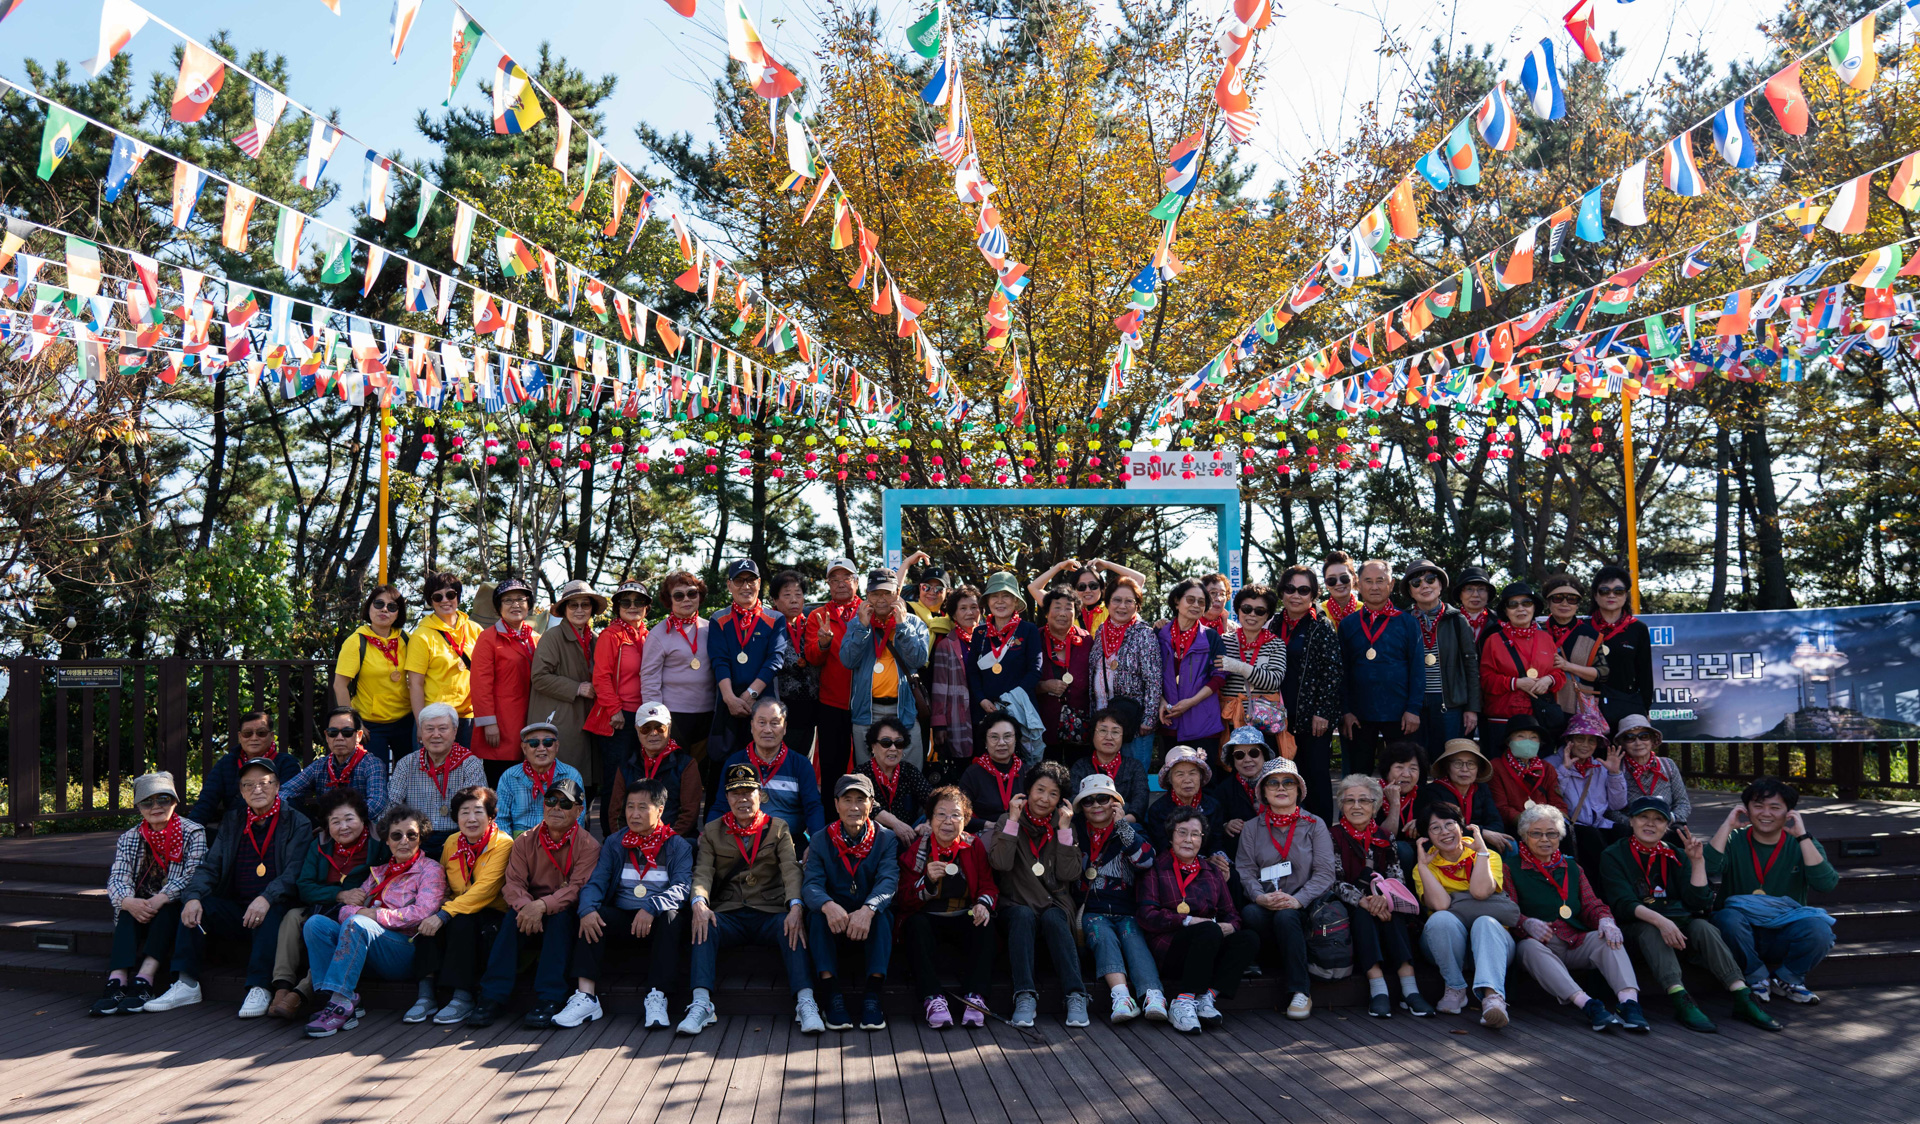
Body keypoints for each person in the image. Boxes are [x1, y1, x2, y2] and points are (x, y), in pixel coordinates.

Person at [145, 758, 314, 1016]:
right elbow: (210, 866)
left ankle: (260, 987)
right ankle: (186, 983)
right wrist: (193, 896)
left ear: (277, 786)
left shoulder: (296, 822)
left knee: (273, 911)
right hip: (237, 907)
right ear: (241, 792)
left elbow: (294, 873)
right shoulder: (234, 820)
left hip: (274, 904)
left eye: (264, 783)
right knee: (197, 907)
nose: (257, 789)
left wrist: (266, 897)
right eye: (249, 785)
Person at [1598, 795, 1779, 1033]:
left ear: (1666, 826)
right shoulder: (1614, 854)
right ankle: (1680, 998)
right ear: (1631, 821)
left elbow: (1698, 902)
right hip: (1635, 929)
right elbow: (1623, 904)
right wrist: (1662, 922)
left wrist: (1697, 862)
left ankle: (1742, 995)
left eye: (1658, 819)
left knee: (1703, 927)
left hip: (1678, 924)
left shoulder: (1675, 854)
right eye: (1643, 817)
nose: (1650, 823)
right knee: (1650, 930)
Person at [680, 762, 818, 1035]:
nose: (742, 799)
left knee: (792, 926)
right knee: (703, 924)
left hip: (769, 911)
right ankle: (701, 1003)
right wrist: (699, 903)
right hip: (729, 911)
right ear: (727, 797)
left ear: (760, 795)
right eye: (735, 793)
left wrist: (795, 906)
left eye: (748, 792)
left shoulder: (778, 828)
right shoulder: (713, 830)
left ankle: (806, 1001)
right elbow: (703, 871)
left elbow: (791, 870)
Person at [1496, 802, 1650, 1032]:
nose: (1545, 839)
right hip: (1541, 946)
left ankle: (1629, 1004)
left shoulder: (1571, 867)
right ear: (1524, 836)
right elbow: (1507, 909)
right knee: (1529, 948)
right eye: (1536, 834)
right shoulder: (1510, 868)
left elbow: (1591, 904)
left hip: (1574, 940)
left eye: (1552, 834)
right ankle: (1588, 1005)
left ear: (1560, 836)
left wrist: (1605, 920)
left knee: (1609, 939)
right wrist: (1525, 923)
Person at [299, 803, 444, 1037]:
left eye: (412, 835)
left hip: (404, 950)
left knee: (358, 923)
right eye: (396, 835)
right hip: (368, 946)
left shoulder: (430, 869)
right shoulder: (380, 871)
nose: (404, 841)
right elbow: (346, 909)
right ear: (386, 840)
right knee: (316, 924)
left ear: (421, 838)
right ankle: (336, 1001)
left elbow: (423, 912)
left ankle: (340, 1004)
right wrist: (361, 913)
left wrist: (376, 915)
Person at [564, 778, 693, 1030]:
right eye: (630, 806)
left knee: (672, 916)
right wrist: (587, 909)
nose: (634, 814)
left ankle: (657, 996)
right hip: (622, 916)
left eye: (643, 807)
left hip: (655, 919)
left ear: (660, 810)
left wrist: (651, 907)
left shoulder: (677, 845)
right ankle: (586, 996)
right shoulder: (615, 842)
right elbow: (596, 882)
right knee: (593, 915)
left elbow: (682, 888)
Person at [473, 778, 600, 1028]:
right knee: (512, 917)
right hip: (529, 910)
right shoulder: (525, 840)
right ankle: (491, 996)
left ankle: (550, 998)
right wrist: (526, 907)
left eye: (565, 803)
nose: (556, 807)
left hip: (564, 912)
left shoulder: (589, 845)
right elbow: (513, 884)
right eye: (551, 800)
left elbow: (577, 888)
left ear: (579, 810)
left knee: (561, 918)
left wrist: (541, 906)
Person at [1706, 776, 1839, 1005]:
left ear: (1789, 813)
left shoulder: (1803, 843)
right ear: (1746, 810)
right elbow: (1707, 868)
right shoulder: (1734, 839)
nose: (1765, 813)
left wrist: (1802, 837)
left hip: (1783, 934)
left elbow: (1826, 884)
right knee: (1727, 918)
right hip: (1739, 933)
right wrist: (1726, 826)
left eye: (1775, 807)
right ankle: (1756, 977)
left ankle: (1788, 979)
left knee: (1820, 930)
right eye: (1758, 806)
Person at [1138, 808, 1262, 1033]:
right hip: (1170, 947)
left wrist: (1230, 926)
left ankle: (1207, 997)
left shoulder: (1211, 871)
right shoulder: (1155, 868)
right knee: (1208, 930)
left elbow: (1232, 913)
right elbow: (1147, 916)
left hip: (1208, 942)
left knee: (1248, 938)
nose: (1188, 839)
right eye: (1182, 832)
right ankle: (1183, 1002)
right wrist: (1187, 921)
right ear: (1171, 836)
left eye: (1195, 834)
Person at [94, 773, 207, 1016]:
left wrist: (162, 897)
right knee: (126, 907)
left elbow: (194, 875)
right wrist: (127, 901)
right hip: (141, 904)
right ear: (138, 807)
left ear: (174, 801)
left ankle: (145, 978)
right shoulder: (129, 837)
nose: (155, 807)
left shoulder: (193, 832)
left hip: (171, 903)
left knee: (167, 907)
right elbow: (118, 877)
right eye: (147, 801)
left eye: (163, 799)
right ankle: (117, 980)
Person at [988, 760, 1089, 1028]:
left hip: (1054, 901)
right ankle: (1024, 995)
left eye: (1053, 794)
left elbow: (1070, 874)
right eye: (1040, 790)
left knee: (1055, 918)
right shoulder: (1008, 819)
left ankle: (1076, 994)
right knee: (1022, 916)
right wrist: (1012, 821)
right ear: (1028, 791)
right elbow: (1000, 864)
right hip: (1016, 901)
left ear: (1061, 800)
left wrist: (1064, 830)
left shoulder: (1064, 823)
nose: (1044, 799)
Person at [272, 787, 386, 1020]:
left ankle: (301, 993)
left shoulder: (379, 843)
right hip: (323, 904)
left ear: (362, 818)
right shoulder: (319, 844)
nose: (343, 827)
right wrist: (339, 894)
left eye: (349, 819)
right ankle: (281, 986)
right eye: (335, 822)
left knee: (334, 928)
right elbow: (304, 886)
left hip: (357, 912)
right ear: (327, 825)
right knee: (292, 917)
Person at [1233, 757, 1335, 1019]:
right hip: (1267, 903)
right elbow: (1245, 870)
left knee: (1286, 916)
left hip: (1306, 905)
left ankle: (1300, 991)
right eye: (1273, 783)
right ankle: (1276, 960)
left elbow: (1325, 873)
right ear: (1264, 792)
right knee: (1251, 913)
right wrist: (1259, 897)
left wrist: (1298, 899)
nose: (1281, 787)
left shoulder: (1315, 824)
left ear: (1298, 789)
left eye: (1288, 782)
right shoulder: (1252, 828)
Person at [408, 784, 512, 1026]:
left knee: (460, 920)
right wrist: (439, 906)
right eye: (464, 812)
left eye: (478, 811)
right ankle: (425, 996)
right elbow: (443, 880)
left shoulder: (503, 843)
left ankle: (462, 997)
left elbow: (484, 891)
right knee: (428, 916)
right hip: (456, 908)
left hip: (491, 912)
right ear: (456, 818)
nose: (471, 819)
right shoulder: (452, 841)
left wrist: (444, 914)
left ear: (491, 816)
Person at [802, 774, 899, 1031]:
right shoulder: (821, 838)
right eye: (847, 800)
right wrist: (828, 905)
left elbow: (888, 881)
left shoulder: (886, 838)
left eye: (860, 800)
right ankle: (832, 994)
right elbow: (811, 884)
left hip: (867, 917)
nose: (854, 807)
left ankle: (873, 996)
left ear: (871, 804)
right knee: (816, 917)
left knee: (883, 916)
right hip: (836, 919)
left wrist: (868, 909)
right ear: (836, 804)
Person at [1329, 774, 1432, 1017]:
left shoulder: (1386, 836)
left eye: (1364, 800)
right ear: (1341, 805)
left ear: (1375, 806)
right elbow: (1333, 880)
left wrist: (1385, 899)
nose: (1356, 806)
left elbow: (1396, 876)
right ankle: (1378, 989)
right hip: (1351, 902)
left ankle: (1410, 989)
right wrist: (1363, 900)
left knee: (1394, 914)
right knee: (1363, 915)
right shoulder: (1332, 835)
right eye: (1349, 800)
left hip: (1383, 901)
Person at [897, 786, 997, 1027]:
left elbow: (988, 886)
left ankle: (975, 998)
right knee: (915, 926)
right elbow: (903, 898)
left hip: (963, 914)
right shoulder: (918, 849)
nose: (948, 821)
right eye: (941, 814)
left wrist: (982, 905)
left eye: (956, 815)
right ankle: (933, 999)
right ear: (930, 819)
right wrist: (927, 880)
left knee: (985, 923)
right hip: (928, 916)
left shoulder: (974, 845)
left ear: (966, 820)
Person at [1072, 773, 1166, 1023]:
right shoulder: (1074, 830)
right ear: (1081, 807)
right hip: (1091, 908)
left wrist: (1122, 826)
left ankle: (1153, 995)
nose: (1096, 805)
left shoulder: (1132, 829)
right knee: (1102, 936)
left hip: (1127, 908)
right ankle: (1121, 997)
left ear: (1115, 803)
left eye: (1103, 799)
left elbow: (1146, 861)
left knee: (1134, 939)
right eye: (1088, 801)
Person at [1411, 803, 1514, 1026]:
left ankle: (1493, 999)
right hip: (1445, 948)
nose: (1444, 832)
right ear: (1427, 836)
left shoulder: (1488, 855)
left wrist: (1482, 852)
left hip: (1493, 947)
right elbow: (1440, 905)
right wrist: (1424, 867)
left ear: (1461, 826)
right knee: (1441, 918)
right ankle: (1455, 987)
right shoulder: (1424, 866)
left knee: (1485, 922)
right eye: (1435, 828)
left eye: (1449, 824)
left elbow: (1480, 892)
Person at [1338, 560, 1422, 777]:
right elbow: (1342, 672)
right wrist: (1346, 711)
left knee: (1401, 774)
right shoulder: (1348, 624)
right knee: (1359, 776)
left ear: (1391, 584)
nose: (1374, 587)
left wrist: (1413, 709)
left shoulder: (1408, 622)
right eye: (1368, 581)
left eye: (1380, 581)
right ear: (1358, 585)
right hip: (1359, 715)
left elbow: (1417, 669)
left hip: (1400, 714)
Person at [842, 569, 932, 768]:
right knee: (867, 774)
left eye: (887, 593)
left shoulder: (914, 623)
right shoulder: (857, 623)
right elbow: (848, 660)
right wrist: (862, 628)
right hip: (867, 710)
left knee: (911, 772)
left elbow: (918, 660)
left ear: (897, 594)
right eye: (875, 594)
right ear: (867, 596)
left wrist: (902, 626)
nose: (881, 599)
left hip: (903, 709)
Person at [1273, 565, 1342, 822]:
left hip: (1312, 719)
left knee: (1315, 777)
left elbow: (1332, 673)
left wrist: (1322, 713)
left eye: (1304, 590)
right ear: (1282, 592)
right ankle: (1288, 829)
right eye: (1290, 589)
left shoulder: (1321, 625)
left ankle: (1322, 833)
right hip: (1278, 718)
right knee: (1284, 777)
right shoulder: (1273, 623)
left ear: (1313, 595)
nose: (1296, 595)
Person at [707, 696, 826, 841]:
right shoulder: (735, 762)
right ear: (752, 726)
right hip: (742, 841)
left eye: (774, 723)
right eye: (762, 723)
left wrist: (817, 843)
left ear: (785, 727)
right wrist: (708, 834)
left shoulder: (800, 764)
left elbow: (813, 808)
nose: (768, 730)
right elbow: (720, 806)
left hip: (788, 841)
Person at [708, 559, 791, 761]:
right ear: (729, 585)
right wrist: (729, 698)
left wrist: (750, 694)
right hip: (728, 703)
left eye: (751, 580)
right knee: (724, 763)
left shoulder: (776, 618)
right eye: (739, 581)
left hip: (764, 702)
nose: (746, 586)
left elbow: (775, 660)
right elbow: (719, 660)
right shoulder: (718, 619)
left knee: (763, 760)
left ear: (759, 583)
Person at [585, 577, 652, 827]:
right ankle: (611, 835)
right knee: (615, 781)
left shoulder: (649, 636)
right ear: (617, 607)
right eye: (626, 602)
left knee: (638, 779)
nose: (632, 606)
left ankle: (636, 832)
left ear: (647, 607)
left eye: (639, 602)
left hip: (644, 717)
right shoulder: (610, 636)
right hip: (619, 718)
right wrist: (615, 710)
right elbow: (600, 677)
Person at [1401, 559, 1480, 763]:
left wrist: (1472, 708)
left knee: (1448, 763)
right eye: (1416, 583)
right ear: (1410, 591)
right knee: (1415, 762)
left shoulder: (1457, 619)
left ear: (1440, 584)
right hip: (1413, 705)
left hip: (1450, 703)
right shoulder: (1403, 620)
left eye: (1430, 579)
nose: (1424, 586)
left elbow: (1471, 666)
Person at [1557, 566, 1654, 728]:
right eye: (1604, 591)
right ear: (1595, 595)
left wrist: (1645, 708)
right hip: (1584, 705)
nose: (1611, 595)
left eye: (1618, 591)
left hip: (1625, 705)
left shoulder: (1638, 629)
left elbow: (1644, 674)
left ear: (1626, 595)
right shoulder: (1581, 627)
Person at [529, 580, 603, 792]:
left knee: (587, 785)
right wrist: (577, 688)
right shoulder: (552, 637)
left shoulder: (595, 639)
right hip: (560, 719)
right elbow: (539, 677)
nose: (579, 610)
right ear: (564, 609)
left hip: (587, 720)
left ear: (592, 609)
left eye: (585, 605)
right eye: (573, 605)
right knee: (563, 786)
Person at [640, 570, 717, 770]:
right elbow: (649, 678)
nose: (686, 599)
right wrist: (655, 719)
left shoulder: (711, 629)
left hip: (708, 715)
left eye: (692, 593)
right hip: (673, 717)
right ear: (669, 600)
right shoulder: (658, 634)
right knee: (673, 772)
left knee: (700, 773)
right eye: (679, 595)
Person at [1477, 582, 1565, 752]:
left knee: (1538, 766)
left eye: (1526, 603)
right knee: (1502, 767)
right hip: (1503, 720)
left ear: (1534, 608)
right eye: (1513, 604)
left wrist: (1548, 680)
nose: (1520, 609)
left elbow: (1559, 674)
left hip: (1539, 718)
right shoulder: (1493, 640)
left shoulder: (1546, 638)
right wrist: (1516, 683)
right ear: (1506, 611)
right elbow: (1486, 680)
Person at [387, 702, 488, 851]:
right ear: (421, 731)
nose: (436, 735)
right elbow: (392, 805)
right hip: (415, 839)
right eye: (429, 729)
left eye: (442, 728)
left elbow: (477, 809)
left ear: (455, 731)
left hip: (458, 837)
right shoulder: (407, 764)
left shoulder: (470, 764)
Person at [332, 584, 414, 761]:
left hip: (406, 721)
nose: (384, 609)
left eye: (392, 607)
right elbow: (340, 685)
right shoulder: (356, 642)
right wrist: (354, 723)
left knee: (409, 773)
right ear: (369, 607)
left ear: (398, 613)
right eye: (379, 604)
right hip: (370, 725)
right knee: (375, 773)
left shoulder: (406, 639)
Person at [1088, 575, 1161, 770]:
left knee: (1133, 775)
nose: (1122, 606)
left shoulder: (1144, 634)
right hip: (1103, 719)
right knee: (1105, 777)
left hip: (1134, 722)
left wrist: (1148, 720)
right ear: (1108, 603)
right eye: (1117, 600)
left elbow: (1153, 680)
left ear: (1137, 605)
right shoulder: (1101, 631)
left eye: (1129, 601)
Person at [470, 577, 537, 785]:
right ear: (498, 607)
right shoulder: (488, 638)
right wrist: (488, 723)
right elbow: (480, 684)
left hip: (530, 718)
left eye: (520, 599)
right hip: (501, 724)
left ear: (529, 604)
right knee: (500, 783)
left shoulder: (536, 638)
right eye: (508, 600)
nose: (515, 604)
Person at [405, 571, 483, 747]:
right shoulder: (421, 635)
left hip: (469, 717)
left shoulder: (475, 629)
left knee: (468, 765)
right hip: (435, 719)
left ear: (458, 597)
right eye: (437, 597)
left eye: (450, 594)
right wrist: (420, 723)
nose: (445, 600)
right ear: (431, 601)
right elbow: (415, 684)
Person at [188, 710, 300, 831]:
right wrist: (189, 831)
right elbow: (206, 802)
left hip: (278, 829)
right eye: (247, 734)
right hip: (236, 830)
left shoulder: (287, 763)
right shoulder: (226, 763)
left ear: (271, 736)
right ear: (240, 737)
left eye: (261, 733)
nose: (254, 738)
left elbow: (290, 804)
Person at [607, 702, 705, 838]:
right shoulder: (626, 765)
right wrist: (628, 840)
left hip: (674, 840)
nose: (653, 733)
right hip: (632, 840)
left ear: (669, 728)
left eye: (660, 728)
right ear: (637, 730)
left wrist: (665, 841)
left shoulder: (686, 764)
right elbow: (616, 813)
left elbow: (689, 813)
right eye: (645, 728)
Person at [1548, 708, 1627, 875]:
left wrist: (1614, 774)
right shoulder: (1551, 764)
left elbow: (1617, 805)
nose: (1586, 745)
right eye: (1580, 738)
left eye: (1592, 740)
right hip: (1571, 827)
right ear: (1569, 740)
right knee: (1592, 838)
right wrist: (1564, 770)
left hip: (1598, 824)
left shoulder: (1600, 766)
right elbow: (1552, 799)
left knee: (1624, 834)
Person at [806, 558, 864, 779]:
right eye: (834, 579)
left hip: (867, 702)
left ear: (856, 581)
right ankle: (831, 804)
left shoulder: (868, 610)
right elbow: (812, 658)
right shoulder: (818, 615)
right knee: (831, 768)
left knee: (866, 766)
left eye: (846, 578)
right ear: (828, 585)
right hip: (831, 702)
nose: (841, 584)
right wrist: (823, 644)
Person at [281, 708, 388, 822]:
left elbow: (377, 802)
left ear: (358, 735)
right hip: (327, 826)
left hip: (360, 826)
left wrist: (344, 821)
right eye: (333, 732)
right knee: (286, 804)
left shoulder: (372, 764)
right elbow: (286, 790)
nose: (339, 738)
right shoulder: (320, 765)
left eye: (347, 732)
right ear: (327, 736)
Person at [1159, 578, 1227, 758]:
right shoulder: (1159, 634)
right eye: (1190, 600)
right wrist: (1161, 701)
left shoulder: (1211, 637)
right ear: (1177, 601)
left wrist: (1191, 702)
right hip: (1169, 720)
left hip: (1204, 723)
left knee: (1205, 774)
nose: (1196, 605)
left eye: (1201, 602)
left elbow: (1219, 677)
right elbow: (1150, 675)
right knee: (1173, 773)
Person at [967, 572, 1043, 724]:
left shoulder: (1029, 630)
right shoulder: (979, 633)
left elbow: (1035, 670)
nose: (1000, 601)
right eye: (994, 596)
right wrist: (981, 699)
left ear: (1015, 600)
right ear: (988, 601)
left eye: (1006, 596)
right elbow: (972, 672)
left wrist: (1010, 699)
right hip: (986, 710)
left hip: (1020, 707)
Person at [1216, 585, 1286, 745]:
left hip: (1264, 723)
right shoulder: (1223, 641)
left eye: (1259, 611)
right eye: (1247, 609)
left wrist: (1239, 667)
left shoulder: (1276, 644)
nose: (1252, 614)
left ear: (1267, 615)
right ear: (1238, 610)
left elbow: (1273, 681)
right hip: (1229, 720)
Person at [494, 718, 587, 837]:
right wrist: (512, 847)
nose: (541, 748)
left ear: (557, 746)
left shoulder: (571, 775)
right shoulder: (509, 776)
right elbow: (501, 820)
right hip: (518, 843)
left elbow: (578, 818)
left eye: (548, 742)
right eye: (534, 743)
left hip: (559, 840)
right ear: (524, 748)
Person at [768, 569, 821, 774]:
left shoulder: (811, 625)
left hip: (810, 708)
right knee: (780, 764)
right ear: (775, 599)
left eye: (798, 594)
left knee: (804, 764)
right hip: (781, 708)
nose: (794, 600)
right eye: (787, 594)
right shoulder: (769, 626)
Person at [1034, 589, 1093, 761]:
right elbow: (1021, 678)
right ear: (1046, 612)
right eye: (1057, 607)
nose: (1062, 613)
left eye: (1068, 608)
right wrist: (1043, 686)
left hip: (1080, 726)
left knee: (1078, 771)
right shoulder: (1035, 639)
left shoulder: (1087, 641)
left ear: (1076, 613)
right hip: (1043, 723)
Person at [1147, 745, 1227, 866]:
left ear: (1200, 777)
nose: (1187, 780)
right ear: (1170, 780)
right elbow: (1162, 848)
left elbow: (1216, 842)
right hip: (1173, 865)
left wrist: (1217, 859)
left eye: (1192, 773)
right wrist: (1200, 862)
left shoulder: (1213, 805)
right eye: (1180, 774)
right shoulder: (1158, 810)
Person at [928, 585, 981, 766]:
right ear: (954, 614)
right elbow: (939, 687)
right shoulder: (947, 644)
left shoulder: (989, 639)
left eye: (974, 607)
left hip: (986, 714)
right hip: (958, 715)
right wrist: (939, 724)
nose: (970, 613)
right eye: (963, 608)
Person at [1210, 726, 1271, 883]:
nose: (1247, 759)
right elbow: (1212, 828)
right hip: (1241, 860)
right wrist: (1225, 825)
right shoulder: (1223, 790)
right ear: (1233, 760)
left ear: (1264, 755)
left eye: (1254, 753)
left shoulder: (1279, 783)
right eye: (1239, 755)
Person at [1609, 714, 1691, 829]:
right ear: (1623, 743)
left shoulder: (1668, 765)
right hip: (1630, 830)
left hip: (1667, 827)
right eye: (1630, 738)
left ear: (1652, 740)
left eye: (1644, 736)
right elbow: (1610, 810)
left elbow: (1683, 803)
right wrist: (1636, 825)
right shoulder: (1617, 769)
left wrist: (1668, 820)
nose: (1638, 743)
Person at [1026, 557, 1148, 634]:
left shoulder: (1112, 607)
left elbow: (1139, 579)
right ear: (1074, 590)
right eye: (1081, 587)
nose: (1088, 590)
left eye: (1093, 586)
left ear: (1101, 587)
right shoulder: (1067, 610)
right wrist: (1059, 566)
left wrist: (1107, 564)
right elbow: (1033, 587)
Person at [1486, 715, 1568, 828]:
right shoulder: (1496, 767)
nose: (1528, 742)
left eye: (1533, 737)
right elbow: (1500, 806)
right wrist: (1528, 823)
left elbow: (1557, 802)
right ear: (1508, 741)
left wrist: (1556, 821)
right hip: (1514, 826)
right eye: (1521, 736)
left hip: (1546, 825)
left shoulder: (1547, 768)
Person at [1068, 707, 1150, 820]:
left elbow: (1140, 801)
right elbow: (1073, 800)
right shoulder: (1080, 766)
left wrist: (1121, 822)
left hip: (1126, 823)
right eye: (1103, 731)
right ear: (1093, 734)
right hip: (1088, 825)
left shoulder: (1134, 766)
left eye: (1115, 732)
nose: (1109, 737)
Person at [1417, 738, 1506, 836]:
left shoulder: (1482, 789)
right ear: (1447, 767)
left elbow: (1497, 825)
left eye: (1471, 764)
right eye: (1458, 763)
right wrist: (1482, 832)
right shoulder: (1434, 791)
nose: (1464, 769)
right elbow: (1446, 829)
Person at [862, 718, 932, 844]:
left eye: (899, 743)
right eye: (886, 742)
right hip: (874, 839)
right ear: (873, 747)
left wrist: (929, 823)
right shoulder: (862, 773)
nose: (893, 748)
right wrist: (895, 823)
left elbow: (933, 799)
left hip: (909, 836)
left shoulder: (909, 771)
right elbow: (863, 803)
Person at [957, 713, 1025, 833]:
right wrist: (988, 825)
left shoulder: (1026, 772)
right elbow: (958, 814)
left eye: (1007, 736)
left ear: (1015, 739)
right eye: (994, 737)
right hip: (987, 834)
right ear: (985, 742)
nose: (1001, 743)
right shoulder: (973, 774)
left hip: (1023, 832)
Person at [1376, 740, 1426, 874]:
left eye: (1413, 768)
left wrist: (1422, 822)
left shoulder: (1425, 794)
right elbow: (1385, 838)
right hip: (1382, 856)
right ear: (1387, 770)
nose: (1407, 774)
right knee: (1401, 848)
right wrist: (1395, 804)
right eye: (1399, 767)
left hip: (1419, 853)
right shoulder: (1373, 795)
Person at [898, 554, 954, 640]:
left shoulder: (952, 618)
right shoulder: (908, 610)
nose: (932, 592)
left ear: (947, 592)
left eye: (939, 589)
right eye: (926, 587)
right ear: (919, 588)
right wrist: (907, 563)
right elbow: (892, 596)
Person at [1452, 566, 1498, 642]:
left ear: (1488, 594)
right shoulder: (1449, 621)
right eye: (1469, 589)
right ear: (1460, 595)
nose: (1475, 595)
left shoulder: (1499, 622)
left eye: (1481, 589)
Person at [1541, 573, 1584, 647]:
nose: (1564, 604)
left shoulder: (1591, 635)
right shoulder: (1536, 630)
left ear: (1577, 605)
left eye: (1572, 599)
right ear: (1548, 603)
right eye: (1558, 598)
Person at [1319, 550, 1360, 624]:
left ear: (1353, 579)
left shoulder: (1366, 612)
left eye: (1344, 577)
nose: (1339, 583)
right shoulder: (1319, 613)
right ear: (1326, 583)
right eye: (1331, 579)